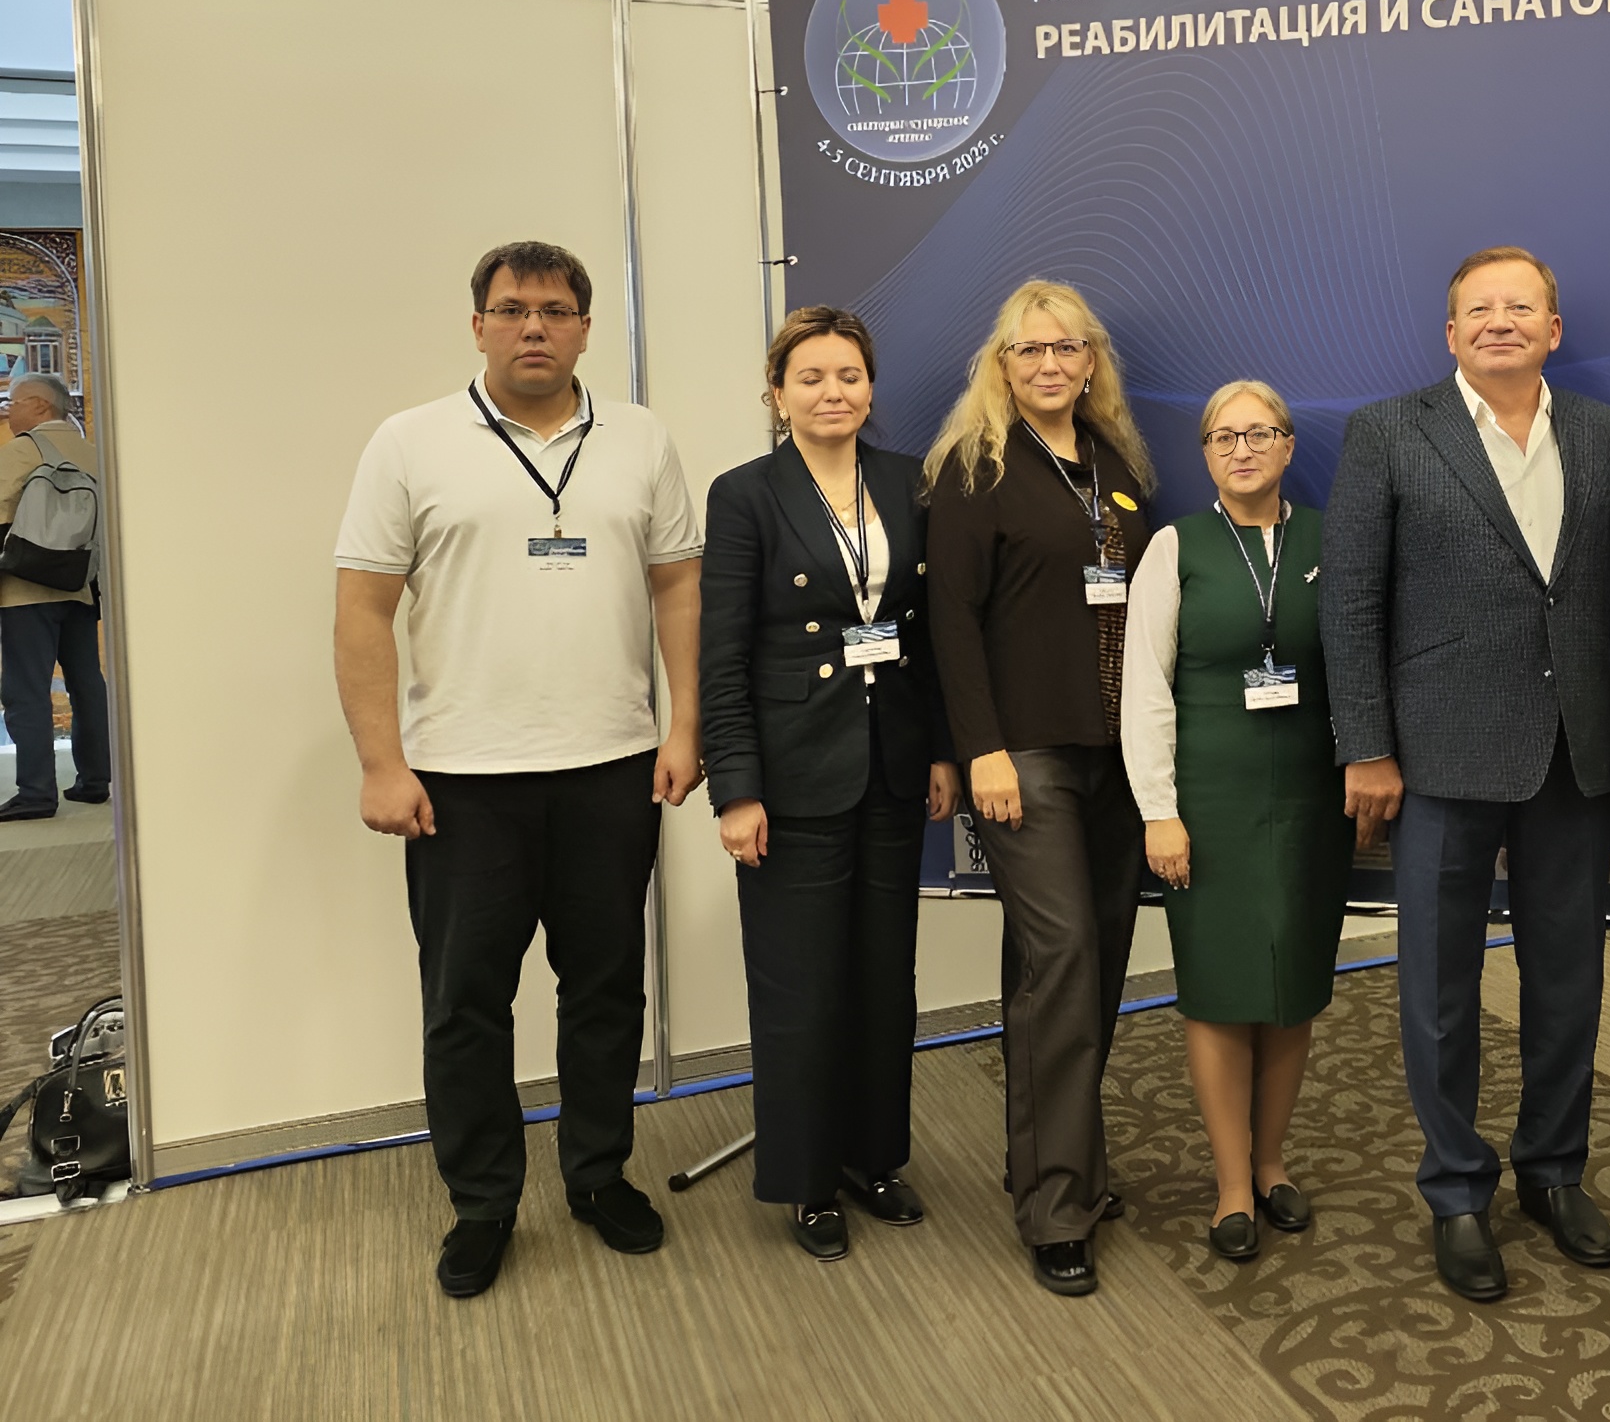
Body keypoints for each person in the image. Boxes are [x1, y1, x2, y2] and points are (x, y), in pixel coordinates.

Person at [332, 241, 703, 1300]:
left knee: (605, 990)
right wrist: (381, 762)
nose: (532, 326)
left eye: (553, 309)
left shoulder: (641, 438)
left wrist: (684, 726)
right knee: (465, 1003)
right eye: (510, 309)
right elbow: (362, 610)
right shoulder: (409, 442)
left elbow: (679, 587)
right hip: (461, 780)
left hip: (612, 768)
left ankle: (597, 1174)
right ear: (478, 325)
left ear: (585, 327)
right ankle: (484, 1201)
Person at [1320, 245, 1610, 1304]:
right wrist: (1366, 745)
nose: (1501, 321)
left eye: (1521, 306)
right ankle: (1456, 1188)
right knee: (1441, 988)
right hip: (1439, 753)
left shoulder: (1601, 432)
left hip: (1571, 753)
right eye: (1479, 309)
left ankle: (1553, 1171)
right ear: (1450, 333)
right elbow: (1349, 600)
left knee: (1569, 981)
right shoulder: (1389, 431)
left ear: (1553, 328)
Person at [699, 306, 960, 1262]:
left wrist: (940, 750)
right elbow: (722, 654)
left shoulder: (908, 481)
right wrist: (736, 789)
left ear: (871, 387)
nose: (832, 393)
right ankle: (807, 1179)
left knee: (884, 981)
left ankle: (871, 1157)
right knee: (802, 990)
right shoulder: (745, 495)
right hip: (792, 776)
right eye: (810, 378)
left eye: (849, 375)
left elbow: (928, 633)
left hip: (890, 767)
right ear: (777, 394)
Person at [924, 279, 1154, 1297]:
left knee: (1089, 960)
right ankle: (1057, 1206)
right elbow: (951, 622)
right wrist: (981, 749)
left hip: (1117, 756)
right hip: (1026, 757)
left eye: (1066, 348)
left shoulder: (1115, 465)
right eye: (1030, 350)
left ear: (1090, 361)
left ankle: (1057, 1162)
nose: (1050, 364)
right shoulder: (974, 469)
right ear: (1003, 365)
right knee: (1061, 957)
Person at [1124, 381, 1351, 1262]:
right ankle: (1229, 1184)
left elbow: (1362, 666)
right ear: (1206, 454)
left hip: (1311, 802)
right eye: (1224, 437)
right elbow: (1145, 690)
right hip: (1208, 802)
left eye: (1259, 433)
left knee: (1294, 986)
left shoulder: (1332, 537)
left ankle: (1271, 1163)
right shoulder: (1174, 547)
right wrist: (1159, 812)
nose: (1242, 449)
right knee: (1220, 991)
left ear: (1289, 445)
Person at [0, 375, 110, 821]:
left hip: (25, 591)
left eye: (13, 402)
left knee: (26, 689)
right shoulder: (95, 453)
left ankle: (35, 793)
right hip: (80, 586)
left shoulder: (23, 450)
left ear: (41, 406)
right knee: (87, 684)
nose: (8, 410)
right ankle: (95, 780)